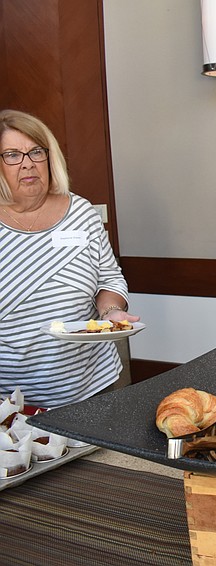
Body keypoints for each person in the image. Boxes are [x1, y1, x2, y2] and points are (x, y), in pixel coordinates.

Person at [0, 109, 140, 408]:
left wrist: (111, 312)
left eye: (36, 152)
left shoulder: (81, 212)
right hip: (12, 399)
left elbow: (109, 277)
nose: (27, 163)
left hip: (93, 385)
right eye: (12, 155)